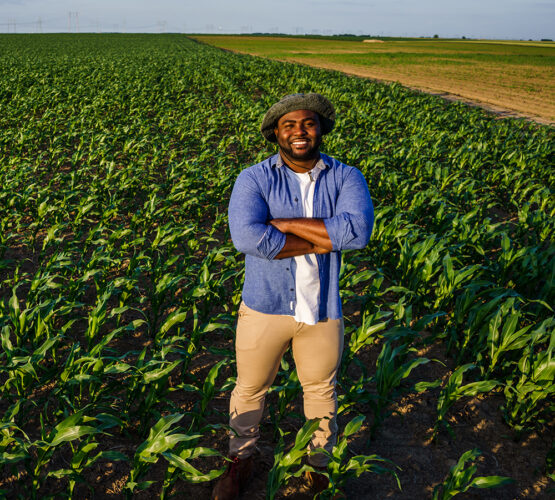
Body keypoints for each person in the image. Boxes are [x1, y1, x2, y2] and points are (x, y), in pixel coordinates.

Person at [212, 93, 374, 500]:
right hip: (265, 306)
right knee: (249, 388)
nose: (300, 131)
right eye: (290, 125)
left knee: (321, 391)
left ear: (320, 129)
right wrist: (324, 236)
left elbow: (357, 234)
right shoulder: (254, 178)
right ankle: (240, 461)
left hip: (322, 309)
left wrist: (282, 226)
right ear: (276, 134)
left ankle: (319, 468)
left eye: (308, 123)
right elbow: (246, 236)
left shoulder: (346, 176)